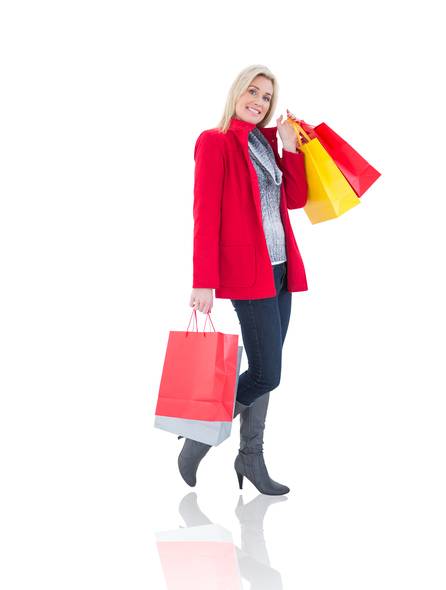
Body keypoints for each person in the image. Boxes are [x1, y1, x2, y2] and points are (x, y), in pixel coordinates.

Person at [178, 65, 310, 496]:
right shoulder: (215, 143)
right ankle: (200, 436)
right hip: (247, 274)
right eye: (253, 91)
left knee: (261, 368)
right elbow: (205, 215)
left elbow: (294, 199)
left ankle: (251, 456)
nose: (259, 101)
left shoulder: (265, 144)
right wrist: (203, 282)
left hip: (280, 270)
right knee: (268, 374)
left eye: (267, 96)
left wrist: (291, 149)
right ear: (237, 93)